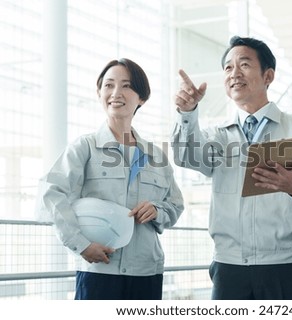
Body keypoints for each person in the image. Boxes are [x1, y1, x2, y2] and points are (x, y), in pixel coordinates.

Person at [172, 36, 292, 300]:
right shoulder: (217, 135)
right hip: (230, 268)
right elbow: (187, 157)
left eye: (244, 64)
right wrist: (187, 114)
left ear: (268, 76)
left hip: (287, 267)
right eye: (228, 68)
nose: (234, 73)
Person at [36, 58, 184, 300]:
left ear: (142, 98)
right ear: (99, 93)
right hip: (100, 271)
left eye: (126, 86)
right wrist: (80, 244)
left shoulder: (156, 156)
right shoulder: (85, 147)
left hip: (146, 272)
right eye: (108, 85)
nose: (116, 93)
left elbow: (176, 205)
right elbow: (51, 193)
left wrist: (158, 210)